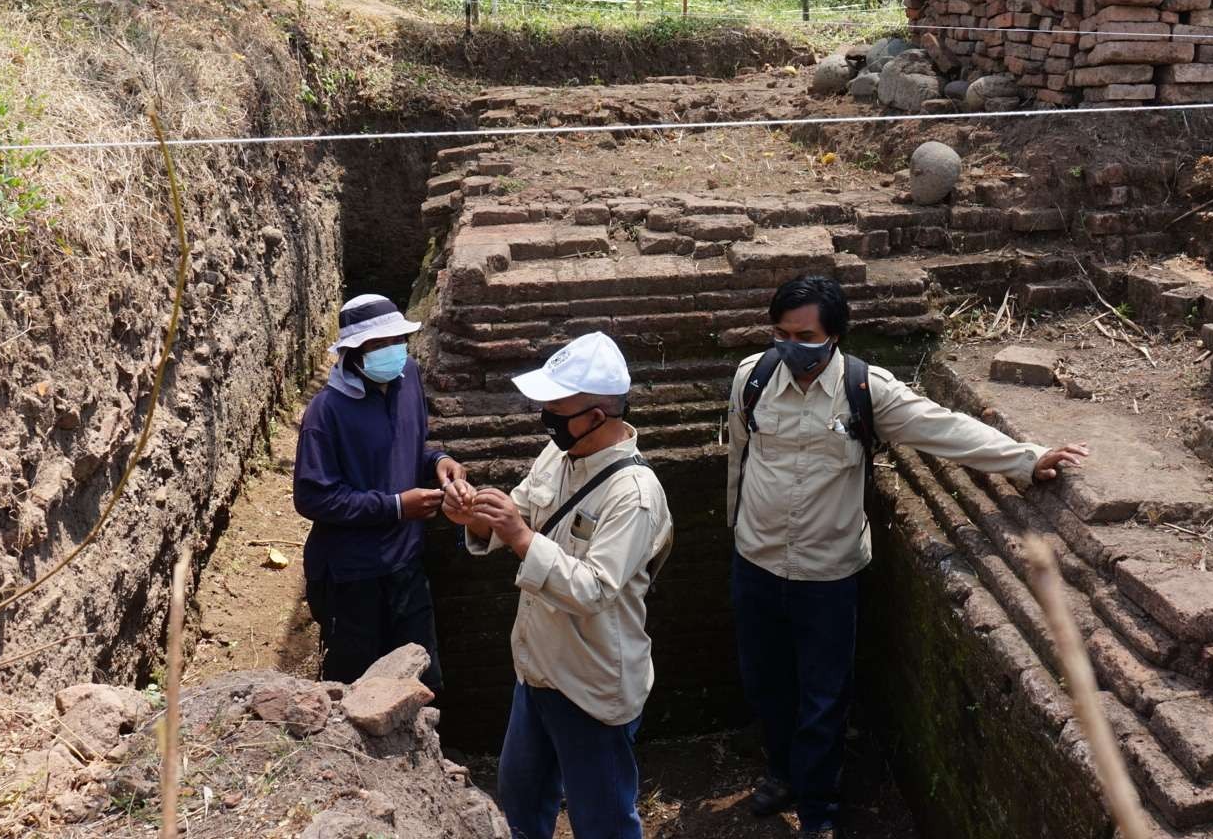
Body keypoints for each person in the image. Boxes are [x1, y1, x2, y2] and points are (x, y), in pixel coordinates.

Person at [726, 276, 1089, 838]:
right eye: (780, 333)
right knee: (765, 681)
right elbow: (739, 460)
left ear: (834, 336)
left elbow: (941, 427)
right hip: (756, 561)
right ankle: (781, 773)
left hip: (827, 572)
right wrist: (735, 530)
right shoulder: (751, 379)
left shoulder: (864, 390)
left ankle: (818, 806)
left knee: (823, 695)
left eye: (803, 334)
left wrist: (1026, 458)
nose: (789, 344)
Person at [441, 332, 674, 839]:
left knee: (603, 819)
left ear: (596, 416)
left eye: (556, 408)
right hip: (538, 668)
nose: (545, 417)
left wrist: (521, 537)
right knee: (521, 797)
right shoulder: (558, 454)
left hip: (590, 683)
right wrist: (477, 515)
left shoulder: (633, 495)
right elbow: (522, 510)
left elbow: (593, 589)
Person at [293, 293, 464, 693]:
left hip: (406, 564)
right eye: (379, 345)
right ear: (353, 353)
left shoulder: (408, 378)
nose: (392, 352)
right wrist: (395, 507)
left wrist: (437, 461)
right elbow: (313, 497)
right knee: (355, 686)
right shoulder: (326, 412)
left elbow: (407, 445)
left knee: (423, 681)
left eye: (397, 341)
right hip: (352, 575)